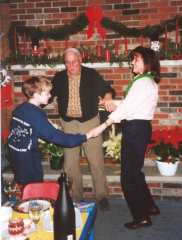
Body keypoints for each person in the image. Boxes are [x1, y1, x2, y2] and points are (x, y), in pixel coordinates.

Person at [92, 46, 161, 228]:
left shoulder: (141, 83)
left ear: (147, 61)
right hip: (141, 128)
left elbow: (127, 109)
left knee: (128, 177)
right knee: (135, 173)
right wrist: (110, 102)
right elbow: (130, 104)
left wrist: (103, 126)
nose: (132, 63)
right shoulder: (148, 82)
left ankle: (141, 217)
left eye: (136, 59)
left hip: (135, 129)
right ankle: (150, 206)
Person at [8, 76, 97, 186]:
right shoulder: (35, 114)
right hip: (28, 161)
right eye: (47, 93)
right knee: (33, 191)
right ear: (36, 95)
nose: (50, 96)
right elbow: (57, 138)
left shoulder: (20, 109)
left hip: (15, 155)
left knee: (25, 188)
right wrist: (86, 136)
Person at [52, 48, 111, 210]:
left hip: (89, 122)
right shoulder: (59, 77)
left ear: (80, 60)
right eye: (67, 62)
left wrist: (107, 96)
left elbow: (107, 89)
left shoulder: (91, 75)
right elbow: (49, 94)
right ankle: (76, 196)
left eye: (74, 61)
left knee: (96, 160)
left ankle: (102, 195)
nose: (71, 65)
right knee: (70, 163)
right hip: (68, 124)